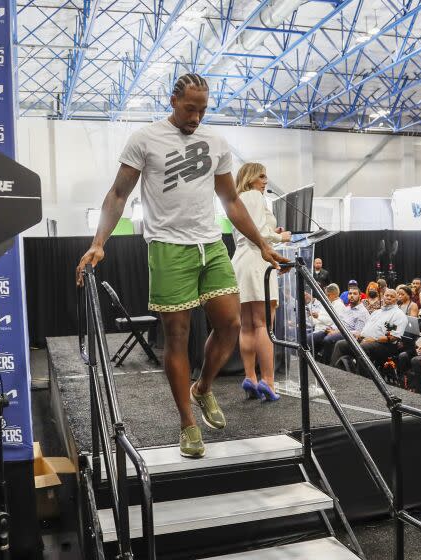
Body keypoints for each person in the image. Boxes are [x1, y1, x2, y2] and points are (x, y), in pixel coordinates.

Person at [76, 73, 286, 458]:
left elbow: (231, 202)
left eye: (203, 110)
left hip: (210, 244)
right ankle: (188, 425)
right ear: (173, 101)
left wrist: (261, 245)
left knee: (230, 324)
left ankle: (203, 387)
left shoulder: (216, 142)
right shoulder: (145, 139)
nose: (196, 117)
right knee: (178, 336)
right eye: (191, 108)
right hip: (168, 248)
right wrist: (98, 242)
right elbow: (119, 193)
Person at [230, 163, 292, 402]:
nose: (266, 180)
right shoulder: (254, 196)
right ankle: (268, 381)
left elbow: (251, 229)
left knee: (246, 325)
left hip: (241, 262)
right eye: (262, 176)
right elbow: (257, 232)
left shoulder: (238, 199)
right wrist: (280, 236)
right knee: (263, 326)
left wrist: (270, 232)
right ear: (251, 177)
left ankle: (250, 379)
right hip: (258, 261)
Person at [328, 289, 409, 373]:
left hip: (384, 345)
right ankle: (334, 372)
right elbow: (366, 328)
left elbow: (393, 337)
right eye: (387, 295)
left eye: (392, 296)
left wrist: (374, 339)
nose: (388, 298)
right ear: (383, 297)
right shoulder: (377, 312)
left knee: (363, 347)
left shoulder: (398, 315)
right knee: (341, 344)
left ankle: (361, 378)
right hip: (366, 340)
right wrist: (360, 334)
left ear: (396, 299)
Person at [311, 286, 369, 364]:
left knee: (328, 339)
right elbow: (338, 321)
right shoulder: (347, 308)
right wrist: (331, 328)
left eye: (355, 294)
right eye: (350, 293)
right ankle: (312, 362)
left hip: (348, 335)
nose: (351, 295)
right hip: (337, 330)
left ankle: (328, 365)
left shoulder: (362, 312)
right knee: (313, 337)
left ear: (360, 296)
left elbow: (358, 332)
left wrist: (339, 331)